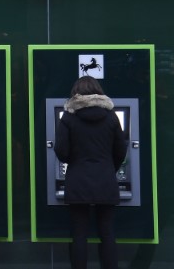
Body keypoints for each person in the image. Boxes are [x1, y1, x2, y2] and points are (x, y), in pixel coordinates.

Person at [54, 76, 128, 269]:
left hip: (78, 180)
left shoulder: (69, 117)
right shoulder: (111, 117)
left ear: (75, 93)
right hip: (105, 178)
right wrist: (109, 167)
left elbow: (61, 151)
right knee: (107, 233)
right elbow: (121, 150)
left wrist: (75, 162)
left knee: (79, 234)